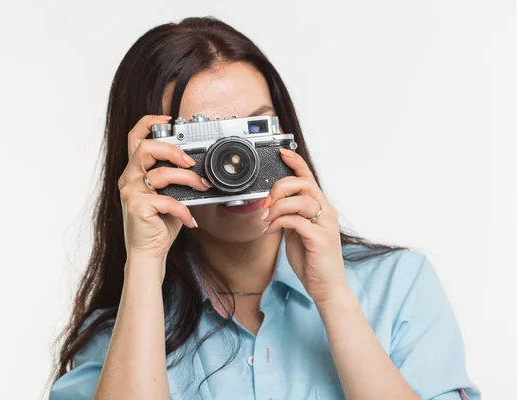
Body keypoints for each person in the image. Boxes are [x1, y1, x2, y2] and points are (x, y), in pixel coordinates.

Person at [48, 16, 480, 400]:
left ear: (285, 131)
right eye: (208, 140)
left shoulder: (398, 287)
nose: (236, 161)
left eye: (256, 129)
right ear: (151, 159)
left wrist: (333, 298)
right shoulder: (121, 337)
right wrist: (144, 261)